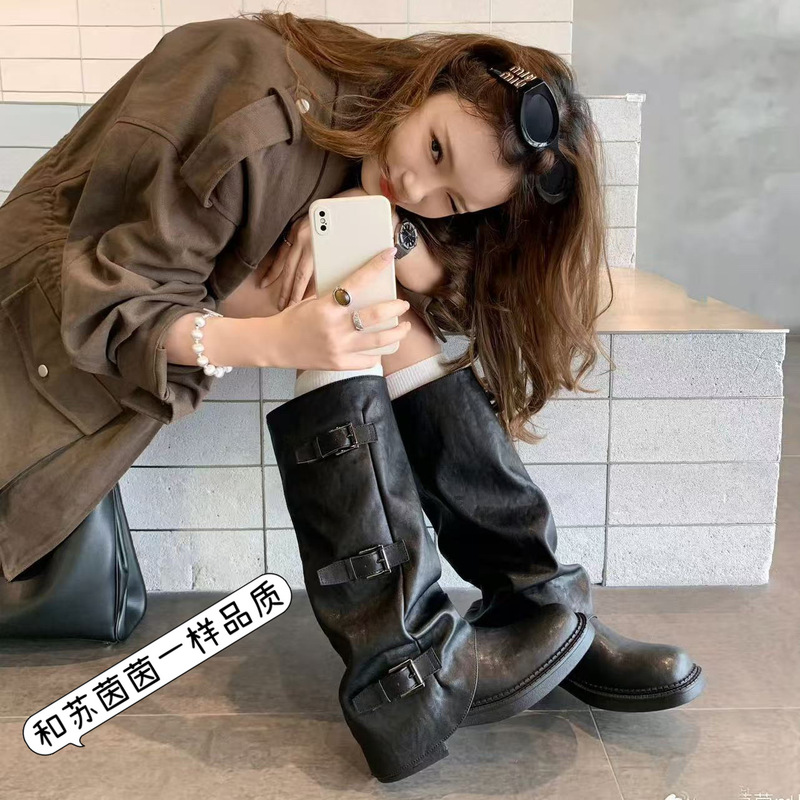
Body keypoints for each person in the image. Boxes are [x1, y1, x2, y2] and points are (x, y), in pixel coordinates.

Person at [0, 10, 704, 783]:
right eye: (434, 150)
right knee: (353, 297)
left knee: (365, 285)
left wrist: (385, 227)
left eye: (452, 201)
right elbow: (110, 306)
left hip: (149, 294)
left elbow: (449, 283)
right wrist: (282, 339)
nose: (420, 188)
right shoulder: (249, 94)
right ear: (430, 80)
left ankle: (535, 610)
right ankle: (406, 669)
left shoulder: (372, 128)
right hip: (41, 327)